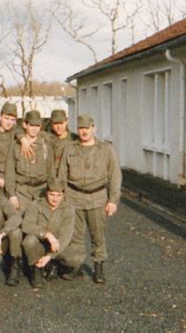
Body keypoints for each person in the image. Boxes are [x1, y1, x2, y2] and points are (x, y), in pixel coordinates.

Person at [58, 114, 122, 284]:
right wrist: (62, 198)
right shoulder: (70, 149)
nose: (84, 131)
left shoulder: (106, 149)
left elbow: (115, 175)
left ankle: (98, 267)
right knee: (74, 236)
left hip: (97, 197)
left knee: (97, 235)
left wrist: (113, 200)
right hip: (74, 196)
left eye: (87, 128)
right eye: (80, 128)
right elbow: (62, 175)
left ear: (94, 128)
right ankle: (76, 265)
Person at [22, 178, 76, 289]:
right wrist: (46, 234)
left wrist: (50, 256)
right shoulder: (35, 205)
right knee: (29, 241)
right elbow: (26, 225)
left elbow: (65, 236)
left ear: (63, 195)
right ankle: (35, 269)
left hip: (56, 246)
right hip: (40, 245)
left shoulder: (69, 209)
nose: (55, 199)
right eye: (52, 194)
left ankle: (53, 264)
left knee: (76, 259)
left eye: (59, 195)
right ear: (46, 192)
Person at [5, 110, 55, 214]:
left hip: (41, 191)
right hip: (22, 192)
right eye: (32, 125)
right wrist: (12, 195)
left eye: (37, 125)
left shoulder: (46, 146)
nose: (34, 129)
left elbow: (51, 172)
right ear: (25, 125)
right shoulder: (16, 147)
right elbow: (10, 173)